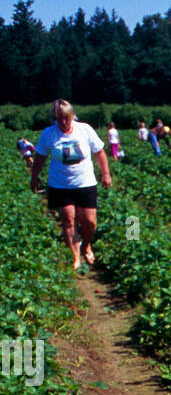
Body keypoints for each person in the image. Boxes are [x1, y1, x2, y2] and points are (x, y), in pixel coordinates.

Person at [29, 99, 111, 270]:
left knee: (89, 222)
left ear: (72, 115)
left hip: (85, 183)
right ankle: (75, 257)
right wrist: (34, 177)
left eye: (67, 118)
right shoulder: (49, 134)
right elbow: (40, 158)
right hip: (60, 185)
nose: (64, 122)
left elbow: (99, 152)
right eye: (59, 119)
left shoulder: (85, 129)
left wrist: (106, 174)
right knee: (68, 220)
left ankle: (86, 244)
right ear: (55, 118)